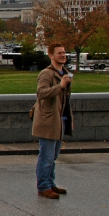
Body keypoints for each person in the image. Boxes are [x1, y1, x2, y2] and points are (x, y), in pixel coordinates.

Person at [31, 43, 73, 199]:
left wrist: (69, 119)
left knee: (53, 156)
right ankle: (43, 187)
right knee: (46, 156)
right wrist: (60, 86)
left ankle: (50, 183)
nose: (63, 55)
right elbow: (41, 93)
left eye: (64, 52)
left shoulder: (65, 72)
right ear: (51, 56)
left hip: (60, 120)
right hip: (48, 120)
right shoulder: (46, 74)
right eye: (59, 53)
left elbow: (65, 101)